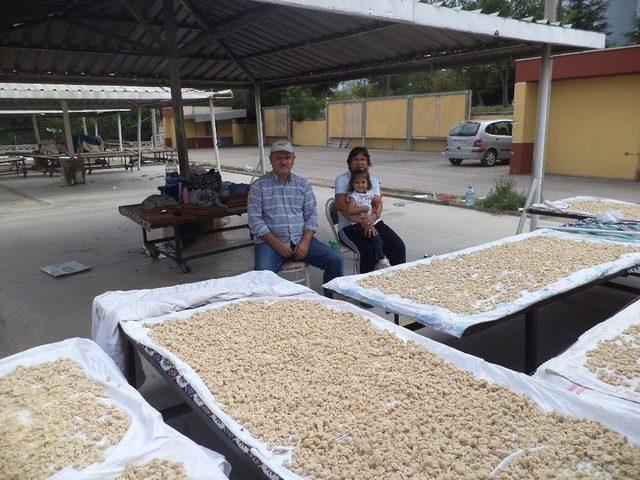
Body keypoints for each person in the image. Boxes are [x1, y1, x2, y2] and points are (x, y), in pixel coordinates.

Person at [248, 140, 343, 288]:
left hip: (301, 240)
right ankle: (269, 308)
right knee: (261, 276)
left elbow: (311, 216)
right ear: (271, 160)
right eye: (279, 158)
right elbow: (255, 221)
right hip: (270, 244)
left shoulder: (303, 185)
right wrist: (277, 244)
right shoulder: (258, 186)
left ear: (293, 159)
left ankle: (331, 301)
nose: (283, 161)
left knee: (335, 259)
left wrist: (305, 241)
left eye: (287, 157)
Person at [334, 146, 406, 273]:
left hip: (374, 223)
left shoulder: (373, 180)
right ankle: (364, 288)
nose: (359, 162)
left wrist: (372, 219)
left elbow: (378, 204)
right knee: (368, 252)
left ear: (368, 163)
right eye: (355, 159)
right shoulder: (342, 179)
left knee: (398, 247)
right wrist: (363, 221)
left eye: (363, 159)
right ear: (349, 163)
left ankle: (396, 282)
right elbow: (342, 207)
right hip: (350, 227)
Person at [344, 169, 390, 270]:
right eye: (357, 182)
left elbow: (378, 202)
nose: (360, 185)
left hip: (370, 222)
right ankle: (381, 260)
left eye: (363, 182)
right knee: (375, 238)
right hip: (357, 225)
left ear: (368, 183)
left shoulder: (369, 193)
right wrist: (362, 208)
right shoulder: (353, 196)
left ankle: (379, 260)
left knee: (379, 240)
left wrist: (376, 210)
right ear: (352, 184)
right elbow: (349, 210)